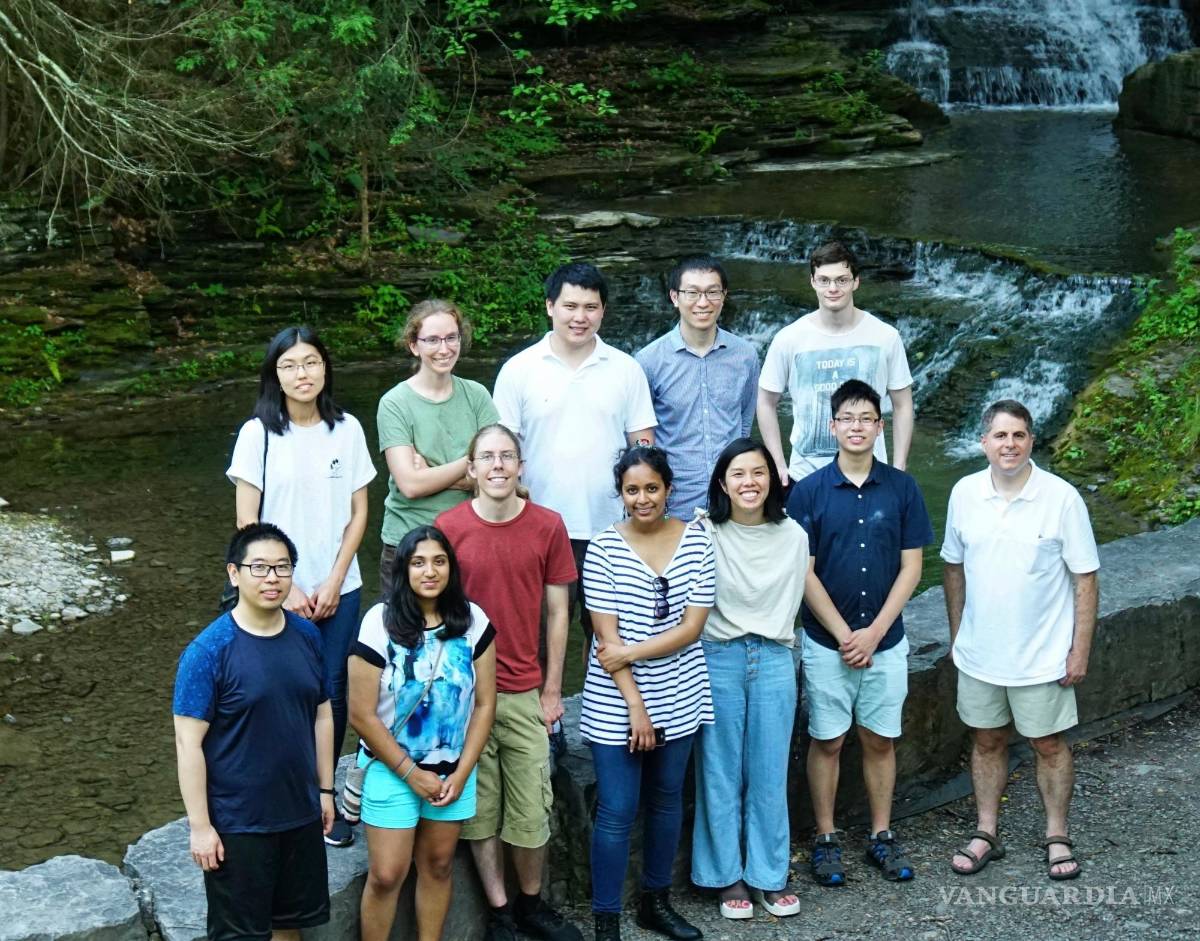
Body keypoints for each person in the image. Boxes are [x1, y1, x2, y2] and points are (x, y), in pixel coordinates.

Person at [227, 325, 376, 848]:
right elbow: (247, 519)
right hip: (274, 591)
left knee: (331, 690)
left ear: (325, 368)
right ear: (275, 375)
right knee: (275, 691)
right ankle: (280, 796)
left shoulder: (347, 429)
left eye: (310, 362)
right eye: (289, 365)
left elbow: (359, 513)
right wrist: (284, 585)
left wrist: (334, 578)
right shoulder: (258, 434)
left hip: (340, 586)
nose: (302, 374)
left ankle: (324, 797)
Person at [435, 424, 581, 941]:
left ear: (521, 466)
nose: (497, 465)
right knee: (480, 811)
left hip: (523, 692)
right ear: (471, 469)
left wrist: (552, 689)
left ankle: (531, 904)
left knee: (532, 809)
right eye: (487, 457)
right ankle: (498, 912)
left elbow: (559, 613)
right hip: (466, 698)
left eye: (507, 456)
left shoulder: (547, 525)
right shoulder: (448, 528)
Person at [942, 399, 1099, 881]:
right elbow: (953, 567)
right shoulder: (965, 493)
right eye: (1000, 435)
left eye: (1018, 435)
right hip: (981, 652)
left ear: (1031, 440)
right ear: (983, 442)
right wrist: (958, 634)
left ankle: (1057, 835)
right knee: (987, 739)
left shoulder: (1061, 498)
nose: (1009, 444)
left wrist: (1079, 650)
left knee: (1048, 743)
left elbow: (1086, 579)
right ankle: (986, 831)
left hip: (1042, 654)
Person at [785, 379, 932, 886]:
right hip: (827, 643)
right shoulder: (808, 492)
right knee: (827, 740)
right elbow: (803, 572)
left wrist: (873, 634)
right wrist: (846, 633)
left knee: (879, 739)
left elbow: (912, 568)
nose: (856, 427)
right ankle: (826, 837)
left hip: (885, 642)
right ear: (832, 427)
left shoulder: (903, 488)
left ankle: (881, 834)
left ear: (879, 427)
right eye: (847, 418)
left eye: (866, 419)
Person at [173, 523, 335, 941]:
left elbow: (322, 713)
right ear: (234, 573)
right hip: (239, 823)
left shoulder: (307, 635)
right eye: (259, 567)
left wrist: (325, 790)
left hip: (299, 811)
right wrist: (200, 827)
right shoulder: (208, 652)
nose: (272, 578)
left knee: (291, 924)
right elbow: (188, 744)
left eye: (282, 567)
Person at [493, 262, 657, 658]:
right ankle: (541, 699)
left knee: (608, 635)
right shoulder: (519, 370)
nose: (580, 317)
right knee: (536, 633)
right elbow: (502, 450)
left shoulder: (626, 369)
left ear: (603, 311)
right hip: (538, 525)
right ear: (550, 306)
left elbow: (643, 446)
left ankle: (595, 696)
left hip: (611, 527)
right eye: (570, 306)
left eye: (590, 307)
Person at [583, 446, 714, 941]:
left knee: (666, 799)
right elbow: (606, 641)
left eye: (652, 488)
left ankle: (655, 903)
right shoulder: (602, 549)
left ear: (668, 489)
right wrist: (636, 707)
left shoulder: (697, 541)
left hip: (680, 690)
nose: (643, 498)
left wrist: (631, 653)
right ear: (621, 494)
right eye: (632, 490)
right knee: (617, 809)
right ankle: (606, 919)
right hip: (616, 699)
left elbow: (692, 628)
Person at [348, 525, 497, 941]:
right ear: (403, 569)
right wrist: (412, 774)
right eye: (418, 563)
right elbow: (361, 714)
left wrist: (462, 773)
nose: (429, 571)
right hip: (391, 767)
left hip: (453, 771)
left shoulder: (473, 621)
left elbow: (485, 704)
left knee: (438, 865)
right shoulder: (378, 622)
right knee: (386, 874)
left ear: (451, 567)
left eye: (438, 561)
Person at [690, 439, 808, 920]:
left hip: (775, 656)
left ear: (773, 479)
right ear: (722, 482)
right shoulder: (704, 533)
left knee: (769, 772)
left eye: (758, 472)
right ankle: (726, 876)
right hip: (718, 655)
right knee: (718, 771)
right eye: (738, 474)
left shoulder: (793, 535)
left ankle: (769, 874)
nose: (749, 482)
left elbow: (796, 598)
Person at [758, 241, 914, 484]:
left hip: (872, 476)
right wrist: (778, 464)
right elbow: (766, 402)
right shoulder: (789, 339)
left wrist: (899, 466)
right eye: (824, 280)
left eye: (842, 280)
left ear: (856, 282)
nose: (833, 288)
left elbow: (903, 404)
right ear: (812, 282)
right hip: (806, 476)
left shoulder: (885, 336)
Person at [378, 299, 500, 594]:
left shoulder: (477, 396)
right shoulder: (394, 403)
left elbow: (498, 476)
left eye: (451, 338)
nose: (444, 349)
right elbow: (410, 485)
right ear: (414, 345)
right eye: (432, 340)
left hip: (470, 538)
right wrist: (472, 463)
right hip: (408, 543)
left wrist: (431, 473)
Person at [635, 256, 760, 520]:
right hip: (675, 501)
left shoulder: (745, 355)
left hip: (732, 499)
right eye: (692, 293)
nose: (703, 302)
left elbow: (744, 423)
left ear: (724, 295)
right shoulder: (649, 361)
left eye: (712, 292)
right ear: (674, 297)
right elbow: (642, 435)